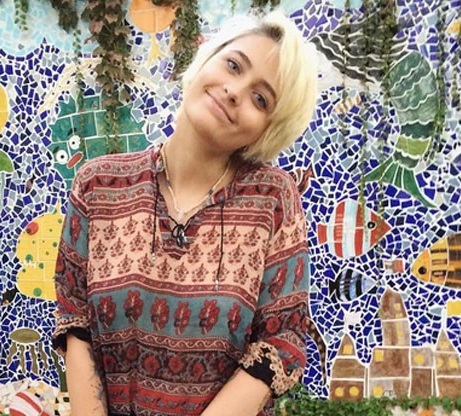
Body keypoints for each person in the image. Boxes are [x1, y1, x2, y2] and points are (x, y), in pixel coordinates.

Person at [52, 10, 318, 416]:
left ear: (268, 129)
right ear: (206, 59)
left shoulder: (272, 199)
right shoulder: (98, 185)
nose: (234, 91)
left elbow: (282, 340)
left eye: (260, 98)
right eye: (233, 65)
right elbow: (75, 318)